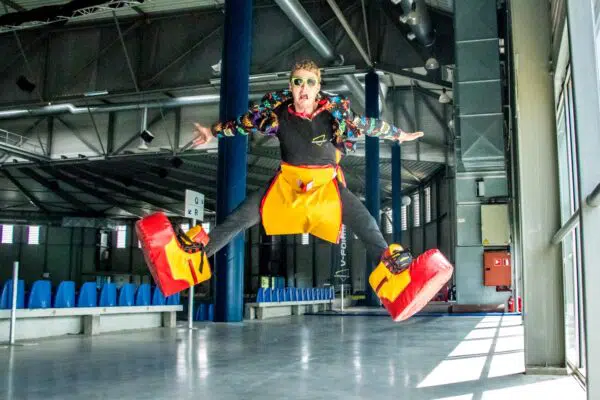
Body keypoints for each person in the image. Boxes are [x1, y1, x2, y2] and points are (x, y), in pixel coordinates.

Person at [191, 59, 424, 276]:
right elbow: (242, 124)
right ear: (291, 87)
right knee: (238, 218)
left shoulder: (335, 115)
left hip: (326, 187)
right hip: (286, 185)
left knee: (366, 222)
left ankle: (390, 268)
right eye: (298, 82)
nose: (304, 87)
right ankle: (193, 257)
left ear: (318, 87)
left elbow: (369, 125)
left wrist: (399, 135)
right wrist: (211, 132)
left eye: (310, 82)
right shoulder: (276, 115)